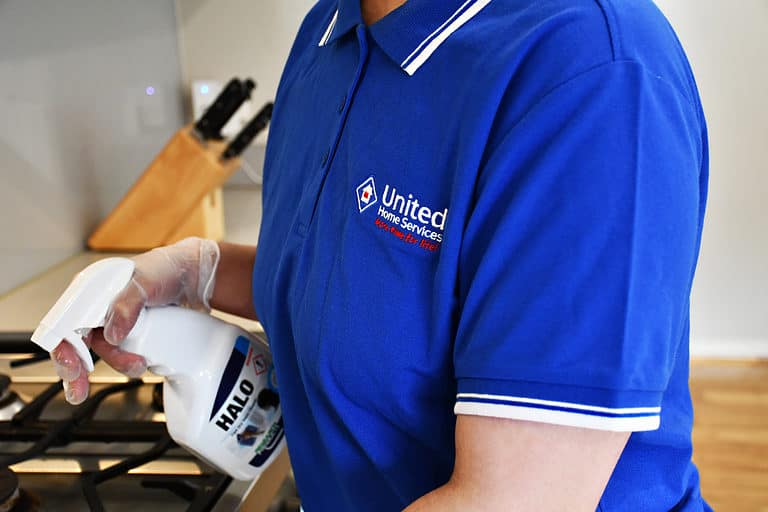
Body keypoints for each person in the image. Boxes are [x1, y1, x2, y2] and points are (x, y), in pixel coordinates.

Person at [51, 0, 712, 510]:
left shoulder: (591, 76)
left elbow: (511, 500)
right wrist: (199, 272)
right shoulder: (330, 33)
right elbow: (370, 282)